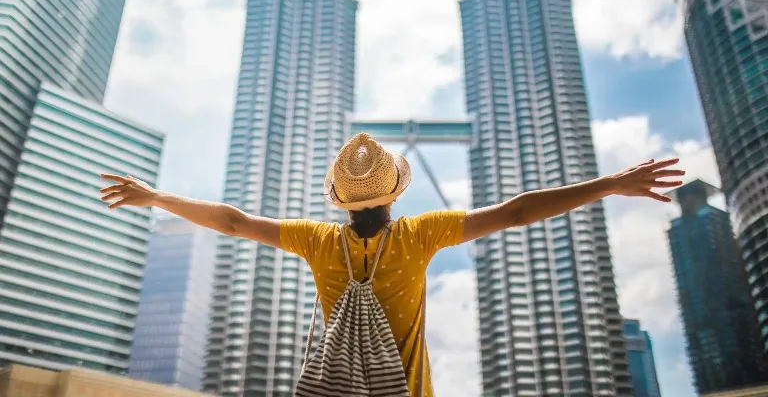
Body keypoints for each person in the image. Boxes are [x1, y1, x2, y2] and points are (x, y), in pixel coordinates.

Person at [100, 132, 684, 396]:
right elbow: (516, 213)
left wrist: (156, 197)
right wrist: (610, 183)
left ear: (340, 198)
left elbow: (232, 221)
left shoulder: (317, 241)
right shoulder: (420, 234)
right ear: (394, 193)